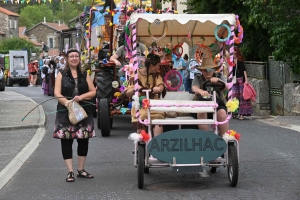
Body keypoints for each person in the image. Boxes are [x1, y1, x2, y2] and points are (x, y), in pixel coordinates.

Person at [53, 49, 96, 182]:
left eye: (76, 56)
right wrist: (67, 103)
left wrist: (81, 97)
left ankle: (81, 169)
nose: (74, 58)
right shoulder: (61, 73)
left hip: (83, 111)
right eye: (71, 56)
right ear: (67, 59)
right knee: (66, 140)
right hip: (65, 111)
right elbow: (57, 92)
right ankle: (70, 171)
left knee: (83, 140)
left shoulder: (84, 74)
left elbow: (93, 91)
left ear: (79, 58)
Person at [124, 53, 166, 137]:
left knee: (158, 121)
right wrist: (135, 89)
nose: (158, 68)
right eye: (157, 66)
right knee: (142, 116)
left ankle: (157, 144)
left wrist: (159, 88)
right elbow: (127, 93)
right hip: (141, 104)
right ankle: (142, 143)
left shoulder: (156, 74)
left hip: (154, 104)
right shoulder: (136, 74)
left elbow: (161, 84)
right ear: (151, 65)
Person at [191, 57, 229, 136]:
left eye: (209, 70)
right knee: (202, 111)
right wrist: (201, 91)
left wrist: (219, 81)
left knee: (222, 113)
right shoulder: (198, 77)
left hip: (217, 103)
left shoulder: (219, 75)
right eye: (205, 70)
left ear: (213, 70)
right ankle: (206, 138)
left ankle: (225, 139)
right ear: (201, 71)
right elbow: (194, 87)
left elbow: (226, 87)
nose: (207, 73)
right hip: (202, 104)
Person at [232, 46, 252, 120]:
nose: (233, 52)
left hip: (240, 79)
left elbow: (244, 70)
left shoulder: (240, 60)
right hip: (234, 80)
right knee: (234, 96)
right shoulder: (231, 61)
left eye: (234, 51)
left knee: (242, 96)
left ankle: (242, 113)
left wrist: (246, 80)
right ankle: (235, 112)